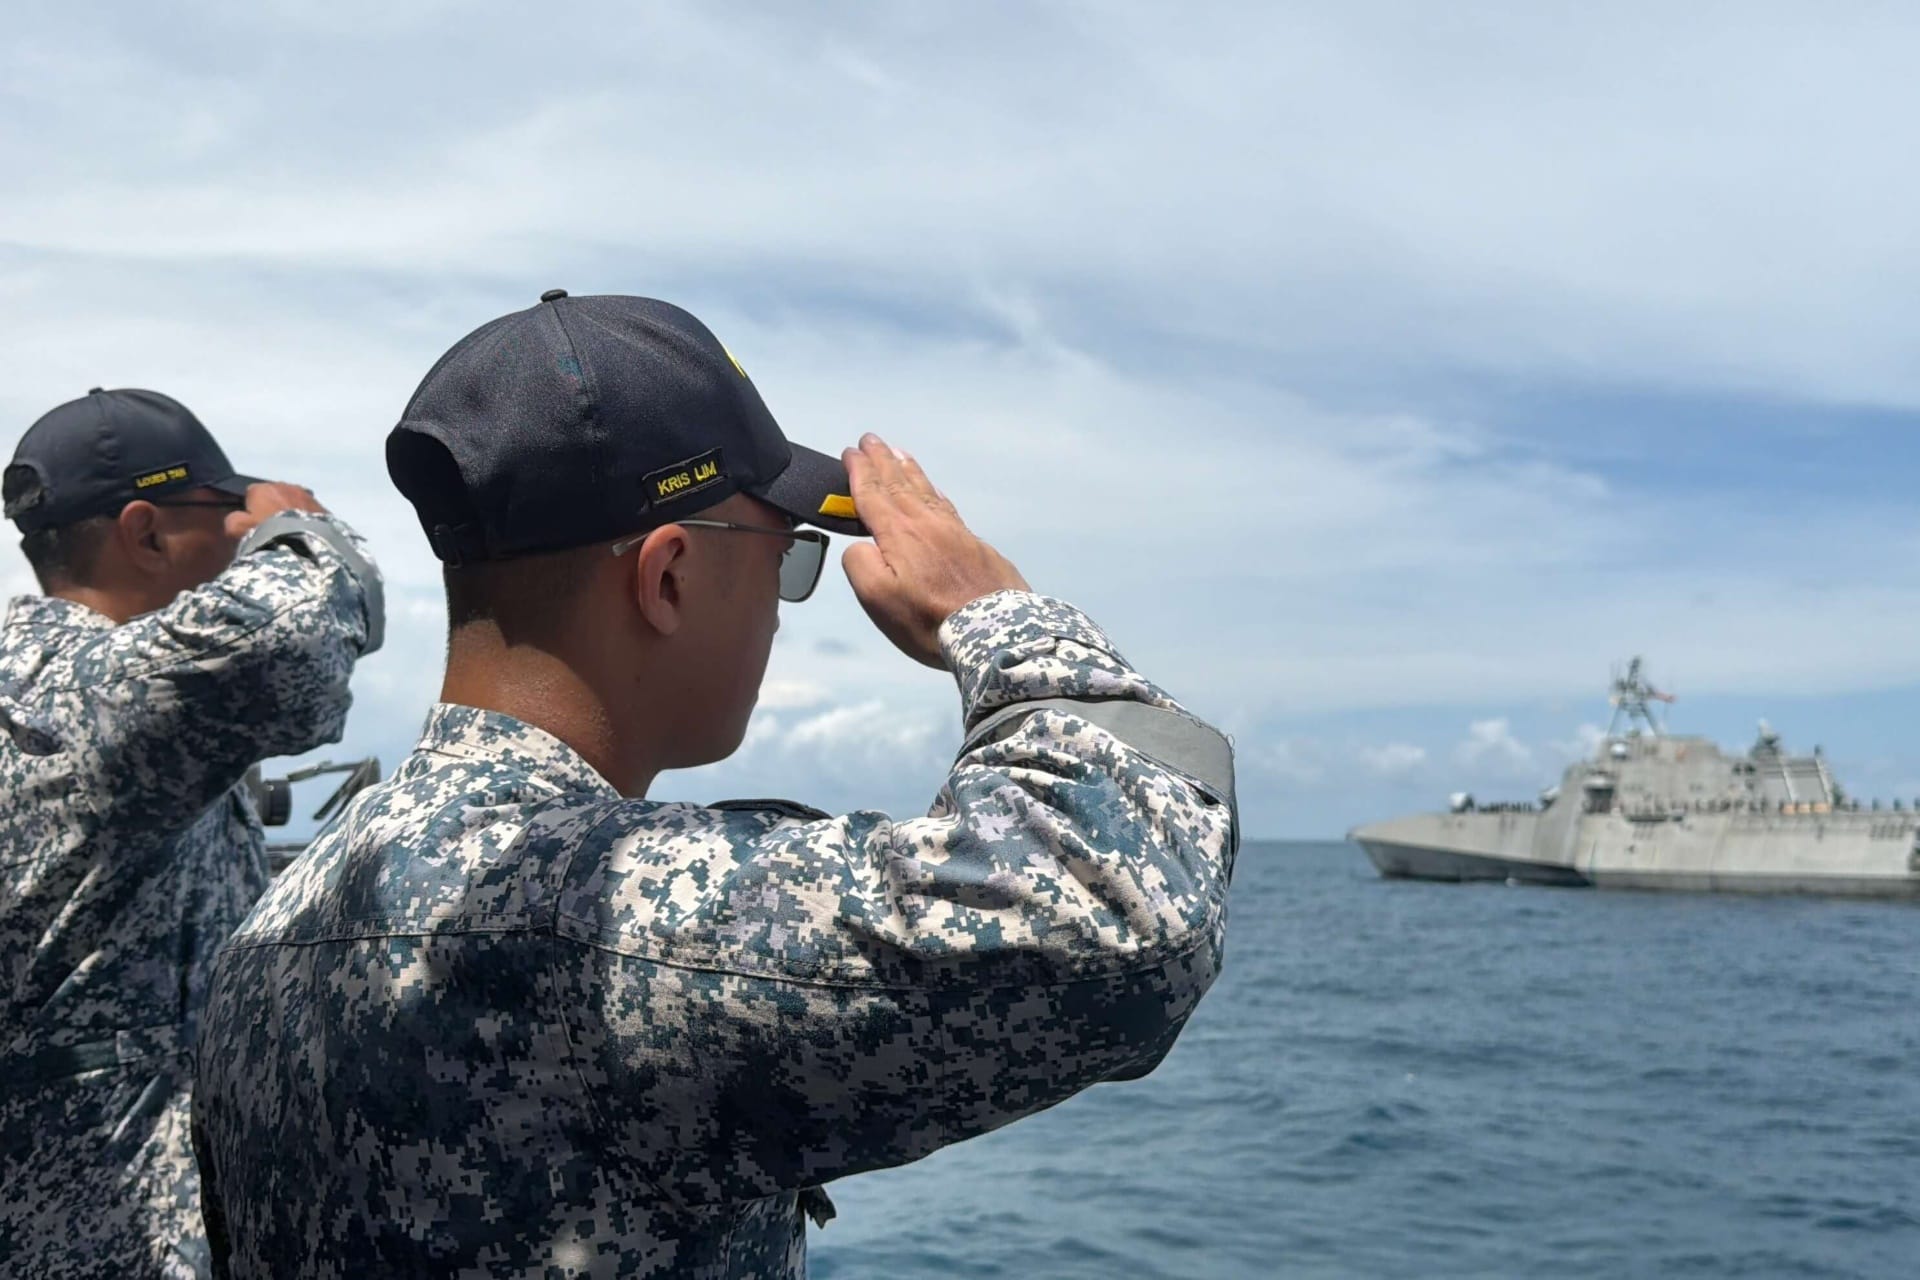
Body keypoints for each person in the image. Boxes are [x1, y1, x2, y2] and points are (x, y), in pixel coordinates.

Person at [192, 292, 1238, 1278]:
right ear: (669, 575)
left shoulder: (272, 923)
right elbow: (1127, 917)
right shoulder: (599, 919)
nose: (785, 606)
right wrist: (999, 615)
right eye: (786, 556)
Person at [0, 388, 384, 1278]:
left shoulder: (89, 700)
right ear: (145, 533)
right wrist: (299, 531)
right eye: (223, 515)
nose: (240, 537)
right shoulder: (75, 697)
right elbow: (286, 649)